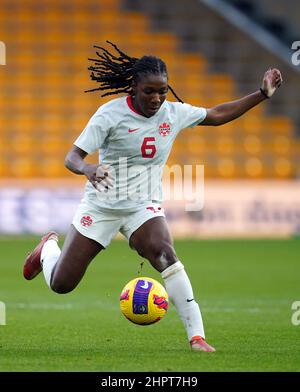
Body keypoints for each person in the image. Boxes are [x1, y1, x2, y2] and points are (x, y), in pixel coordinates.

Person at [23, 41, 282, 352]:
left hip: (142, 206)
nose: (157, 98)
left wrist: (261, 95)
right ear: (134, 87)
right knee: (61, 285)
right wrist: (88, 169)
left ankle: (197, 337)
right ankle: (48, 248)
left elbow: (216, 114)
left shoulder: (173, 113)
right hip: (101, 206)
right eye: (149, 91)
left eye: (163, 90)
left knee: (165, 254)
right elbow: (72, 157)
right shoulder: (109, 114)